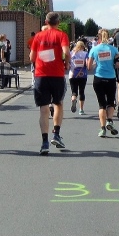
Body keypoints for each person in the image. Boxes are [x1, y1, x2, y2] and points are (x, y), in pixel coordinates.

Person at [30, 12, 71, 155]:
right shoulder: (62, 35)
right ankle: (56, 134)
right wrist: (66, 63)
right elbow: (66, 52)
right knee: (58, 104)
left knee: (43, 108)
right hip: (57, 75)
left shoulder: (38, 36)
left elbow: (31, 57)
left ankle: (44, 142)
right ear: (58, 22)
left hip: (41, 75)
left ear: (46, 22)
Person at [87, 29, 119, 137]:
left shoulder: (94, 49)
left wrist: (96, 64)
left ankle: (102, 129)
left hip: (99, 78)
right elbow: (118, 64)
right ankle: (109, 120)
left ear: (98, 37)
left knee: (102, 105)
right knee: (110, 102)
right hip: (110, 78)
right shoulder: (114, 49)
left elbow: (89, 67)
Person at [69, 40, 88, 115]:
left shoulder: (71, 53)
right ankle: (81, 109)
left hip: (73, 75)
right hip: (82, 75)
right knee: (82, 91)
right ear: (83, 47)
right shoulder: (85, 53)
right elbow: (87, 64)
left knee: (74, 91)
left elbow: (68, 63)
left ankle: (73, 99)